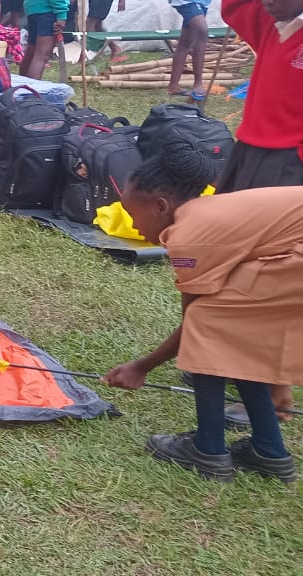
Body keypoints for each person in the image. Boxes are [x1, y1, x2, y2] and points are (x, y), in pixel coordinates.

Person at [104, 144, 299, 484]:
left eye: (133, 215)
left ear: (161, 206)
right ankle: (268, 450)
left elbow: (196, 319)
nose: (133, 227)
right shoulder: (210, 213)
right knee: (229, 327)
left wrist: (142, 366)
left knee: (210, 325)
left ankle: (206, 449)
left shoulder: (190, 235)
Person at [202, 0, 303, 428]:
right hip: (251, 154)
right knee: (232, 261)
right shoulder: (274, 24)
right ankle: (231, 359)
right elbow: (233, 6)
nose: (265, 4)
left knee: (272, 275)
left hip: (290, 163)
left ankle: (276, 394)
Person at [167, 0, 210, 98]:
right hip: (188, 1)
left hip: (203, 2)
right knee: (202, 31)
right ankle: (198, 83)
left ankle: (173, 86)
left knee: (185, 42)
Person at [19, 0, 67, 78]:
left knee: (32, 51)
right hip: (48, 9)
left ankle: (22, 84)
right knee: (41, 55)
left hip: (32, 8)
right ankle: (32, 88)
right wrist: (61, 15)